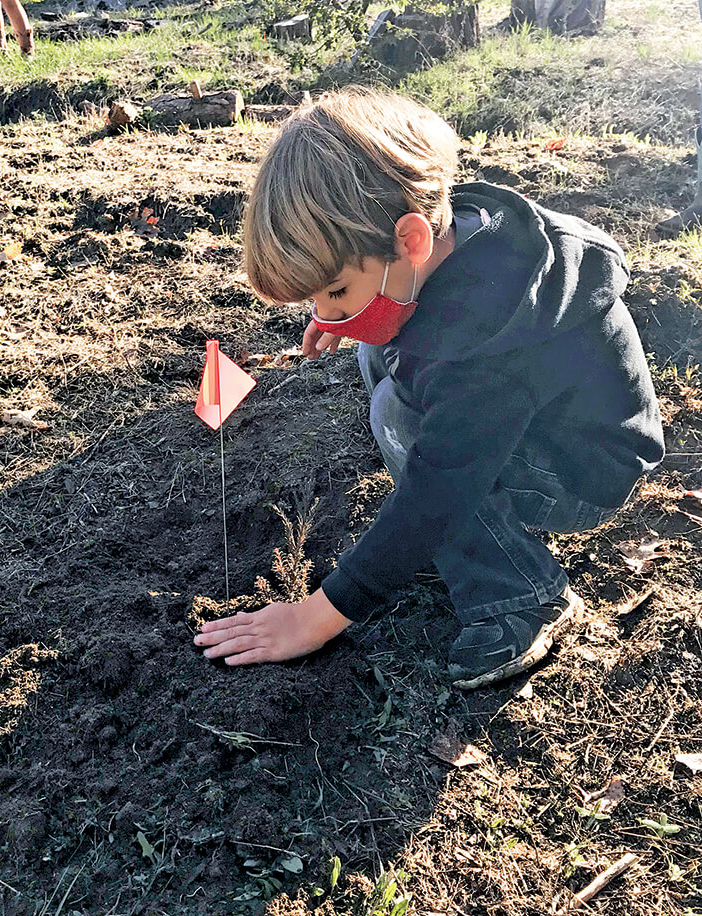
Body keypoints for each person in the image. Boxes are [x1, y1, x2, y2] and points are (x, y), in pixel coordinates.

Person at [194, 87, 664, 689]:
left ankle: (520, 594)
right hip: (532, 421)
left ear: (410, 239)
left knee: (398, 414)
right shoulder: (459, 232)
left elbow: (439, 487)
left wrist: (321, 613)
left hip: (582, 474)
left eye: (334, 290)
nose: (326, 312)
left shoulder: (485, 350)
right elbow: (389, 307)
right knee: (379, 348)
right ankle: (470, 536)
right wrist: (340, 311)